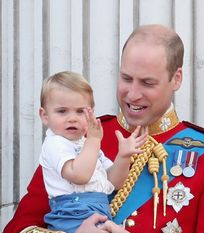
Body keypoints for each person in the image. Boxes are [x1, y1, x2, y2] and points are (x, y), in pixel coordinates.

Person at [5, 24, 204, 233]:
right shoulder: (80, 136)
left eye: (148, 83)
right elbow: (19, 227)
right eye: (126, 79)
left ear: (176, 79)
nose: (133, 94)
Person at [37, 71, 147, 233]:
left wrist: (123, 156)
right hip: (72, 213)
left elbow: (115, 182)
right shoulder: (55, 143)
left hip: (95, 210)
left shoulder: (85, 143)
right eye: (62, 111)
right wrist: (94, 141)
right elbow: (79, 175)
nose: (72, 118)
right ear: (45, 116)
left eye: (80, 111)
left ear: (91, 113)